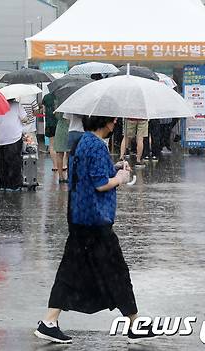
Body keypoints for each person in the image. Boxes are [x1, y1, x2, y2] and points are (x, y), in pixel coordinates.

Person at [34, 116, 158, 344]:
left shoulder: (81, 142)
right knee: (117, 271)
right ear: (107, 123)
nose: (115, 125)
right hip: (96, 221)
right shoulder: (97, 146)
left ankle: (49, 321)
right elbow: (100, 183)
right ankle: (134, 323)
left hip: (79, 217)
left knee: (70, 270)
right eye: (114, 121)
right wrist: (119, 178)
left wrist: (115, 167)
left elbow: (88, 174)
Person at [0, 99, 27, 191]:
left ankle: (4, 184)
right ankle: (14, 185)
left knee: (3, 163)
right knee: (15, 162)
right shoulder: (17, 105)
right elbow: (24, 118)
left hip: (2, 138)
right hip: (15, 137)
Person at [42, 93, 59, 172]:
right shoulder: (61, 96)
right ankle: (63, 165)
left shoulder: (46, 97)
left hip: (49, 124)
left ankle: (55, 166)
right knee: (62, 145)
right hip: (59, 124)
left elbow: (44, 110)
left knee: (52, 145)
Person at [53, 112, 70, 183]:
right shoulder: (74, 104)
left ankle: (60, 177)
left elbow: (56, 116)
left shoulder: (59, 104)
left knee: (59, 154)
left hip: (60, 128)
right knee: (69, 154)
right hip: (69, 128)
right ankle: (69, 176)